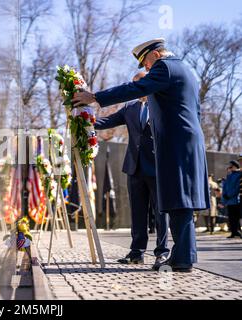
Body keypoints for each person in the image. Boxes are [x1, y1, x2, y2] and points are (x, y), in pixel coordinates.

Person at [73, 38, 210, 272]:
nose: (146, 69)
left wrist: (95, 97)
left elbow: (135, 88)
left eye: (146, 63)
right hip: (186, 140)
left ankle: (183, 258)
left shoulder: (164, 67)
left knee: (179, 199)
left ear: (155, 55)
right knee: (180, 199)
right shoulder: (184, 68)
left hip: (177, 141)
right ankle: (183, 254)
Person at [94, 72, 169, 267]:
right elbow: (107, 121)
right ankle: (137, 252)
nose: (137, 88)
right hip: (134, 167)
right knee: (138, 212)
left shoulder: (161, 104)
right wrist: (84, 120)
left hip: (157, 168)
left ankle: (162, 252)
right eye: (134, 84)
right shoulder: (130, 107)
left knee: (161, 212)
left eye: (140, 84)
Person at [222, 160, 241, 238]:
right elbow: (225, 187)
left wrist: (230, 195)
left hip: (235, 200)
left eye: (231, 166)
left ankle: (237, 231)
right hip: (229, 201)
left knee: (236, 217)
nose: (229, 167)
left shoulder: (239, 175)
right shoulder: (228, 176)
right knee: (231, 217)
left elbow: (237, 187)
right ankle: (233, 232)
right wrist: (225, 196)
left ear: (235, 166)